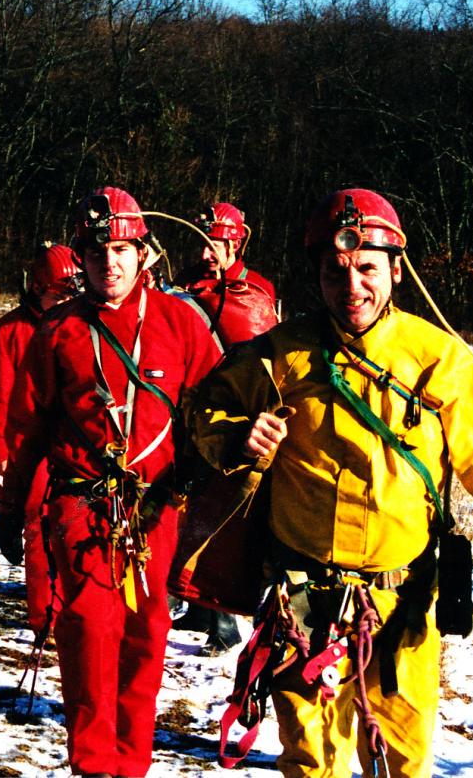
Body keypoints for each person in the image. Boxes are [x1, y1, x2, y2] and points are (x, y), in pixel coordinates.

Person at [184, 188, 473, 777]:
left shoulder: (440, 361)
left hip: (401, 609)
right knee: (312, 764)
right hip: (303, 610)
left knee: (402, 764)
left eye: (367, 269)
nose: (351, 287)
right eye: (335, 271)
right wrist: (237, 438)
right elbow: (203, 409)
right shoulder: (282, 354)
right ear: (317, 275)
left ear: (396, 271)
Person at [0, 187, 222, 778]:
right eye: (98, 252)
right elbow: (29, 428)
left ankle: (133, 764)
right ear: (83, 258)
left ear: (143, 253)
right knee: (92, 631)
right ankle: (93, 765)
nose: (111, 263)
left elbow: (219, 406)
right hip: (82, 504)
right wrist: (12, 504)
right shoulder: (57, 332)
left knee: (147, 636)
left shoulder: (180, 323)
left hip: (156, 510)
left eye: (122, 249)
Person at [172, 202, 279, 653]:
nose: (206, 252)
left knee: (219, 514)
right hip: (190, 414)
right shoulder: (190, 282)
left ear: (235, 242)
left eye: (214, 243)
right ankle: (194, 606)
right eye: (202, 242)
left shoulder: (252, 292)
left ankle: (222, 622)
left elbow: (256, 351)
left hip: (229, 419)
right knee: (188, 508)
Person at [0, 242, 82, 637]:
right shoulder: (13, 329)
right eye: (58, 294)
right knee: (37, 525)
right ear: (38, 288)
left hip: (76, 444)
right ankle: (46, 619)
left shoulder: (81, 323)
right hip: (29, 444)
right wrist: (0, 447)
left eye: (70, 294)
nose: (64, 300)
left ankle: (76, 610)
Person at [177, 201, 277, 345]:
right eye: (202, 246)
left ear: (235, 245)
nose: (204, 255)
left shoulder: (258, 288)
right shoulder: (186, 279)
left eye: (213, 247)